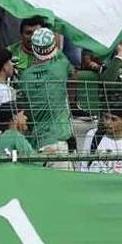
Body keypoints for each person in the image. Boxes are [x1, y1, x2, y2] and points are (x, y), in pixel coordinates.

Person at [17, 26, 73, 165]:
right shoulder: (61, 66)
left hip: (37, 142)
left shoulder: (25, 76)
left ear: (33, 49)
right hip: (58, 139)